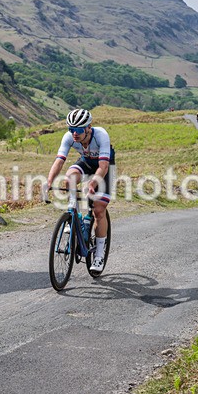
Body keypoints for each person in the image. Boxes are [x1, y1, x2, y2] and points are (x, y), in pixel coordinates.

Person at [46, 108, 115, 272]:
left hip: (104, 167)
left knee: (99, 210)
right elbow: (59, 161)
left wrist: (93, 183)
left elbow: (103, 166)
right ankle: (73, 215)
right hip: (85, 162)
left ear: (88, 128)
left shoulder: (101, 135)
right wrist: (49, 181)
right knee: (69, 177)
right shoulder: (69, 137)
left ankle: (98, 255)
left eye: (78, 130)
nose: (74, 134)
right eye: (71, 129)